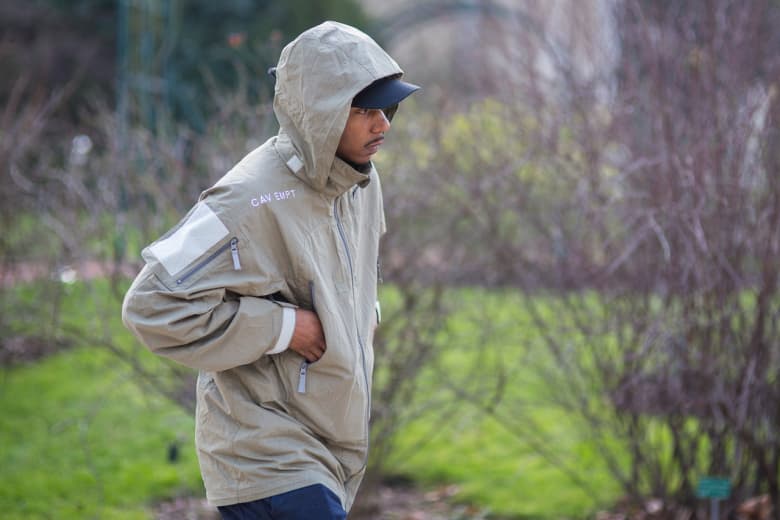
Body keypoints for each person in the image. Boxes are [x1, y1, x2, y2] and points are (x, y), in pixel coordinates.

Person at [121, 21, 419, 519]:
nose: (383, 125)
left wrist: (358, 313)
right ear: (321, 113)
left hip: (328, 441)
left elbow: (344, 272)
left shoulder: (361, 182)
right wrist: (285, 327)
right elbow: (150, 306)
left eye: (387, 108)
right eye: (365, 110)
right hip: (265, 452)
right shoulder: (246, 197)